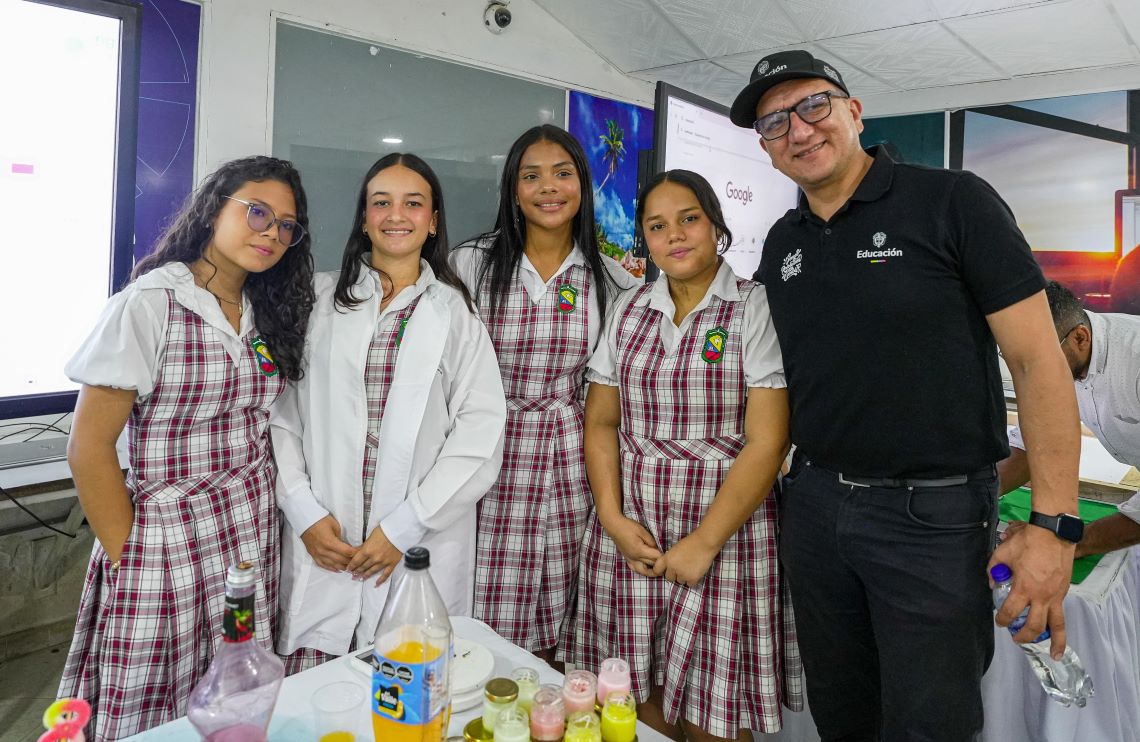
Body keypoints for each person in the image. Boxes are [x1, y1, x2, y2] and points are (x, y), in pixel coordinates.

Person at [729, 50, 1081, 740]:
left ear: (854, 111)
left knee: (930, 724)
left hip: (934, 519)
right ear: (767, 149)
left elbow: (1040, 362)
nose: (798, 131)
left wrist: (1056, 527)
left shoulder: (953, 201)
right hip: (817, 509)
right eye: (774, 123)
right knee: (842, 715)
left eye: (813, 106)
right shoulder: (781, 243)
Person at [58, 156, 316, 739]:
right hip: (164, 535)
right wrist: (131, 554)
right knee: (155, 700)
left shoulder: (263, 311)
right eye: (257, 212)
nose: (271, 233)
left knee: (236, 690)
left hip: (248, 532)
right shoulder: (151, 303)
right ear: (212, 209)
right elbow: (89, 448)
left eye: (286, 226)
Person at [574, 170, 802, 741]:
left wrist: (704, 543)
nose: (674, 235)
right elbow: (601, 421)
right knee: (632, 701)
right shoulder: (627, 311)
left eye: (688, 219)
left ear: (717, 228)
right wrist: (612, 519)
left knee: (714, 714)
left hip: (724, 533)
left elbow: (767, 441)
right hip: (633, 532)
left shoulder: (755, 308)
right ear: (644, 240)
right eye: (657, 225)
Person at [271, 153, 506, 670]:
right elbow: (282, 417)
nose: (396, 215)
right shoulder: (319, 300)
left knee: (408, 686)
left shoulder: (456, 315)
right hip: (324, 542)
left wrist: (404, 527)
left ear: (434, 220)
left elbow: (480, 437)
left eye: (413, 203)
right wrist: (304, 512)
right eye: (382, 202)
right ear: (363, 217)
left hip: (417, 541)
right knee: (321, 699)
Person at [451, 124, 639, 658]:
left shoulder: (610, 280)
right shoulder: (471, 264)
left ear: (583, 183)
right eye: (531, 176)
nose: (548, 187)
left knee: (558, 588)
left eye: (562, 173)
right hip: (485, 448)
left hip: (568, 454)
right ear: (513, 189)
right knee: (477, 589)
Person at [1000, 280, 1140, 558]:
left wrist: (1072, 542)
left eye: (1041, 360)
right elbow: (1032, 443)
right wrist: (977, 499)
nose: (1032, 373)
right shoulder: (1056, 355)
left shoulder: (1134, 360)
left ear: (1080, 338)